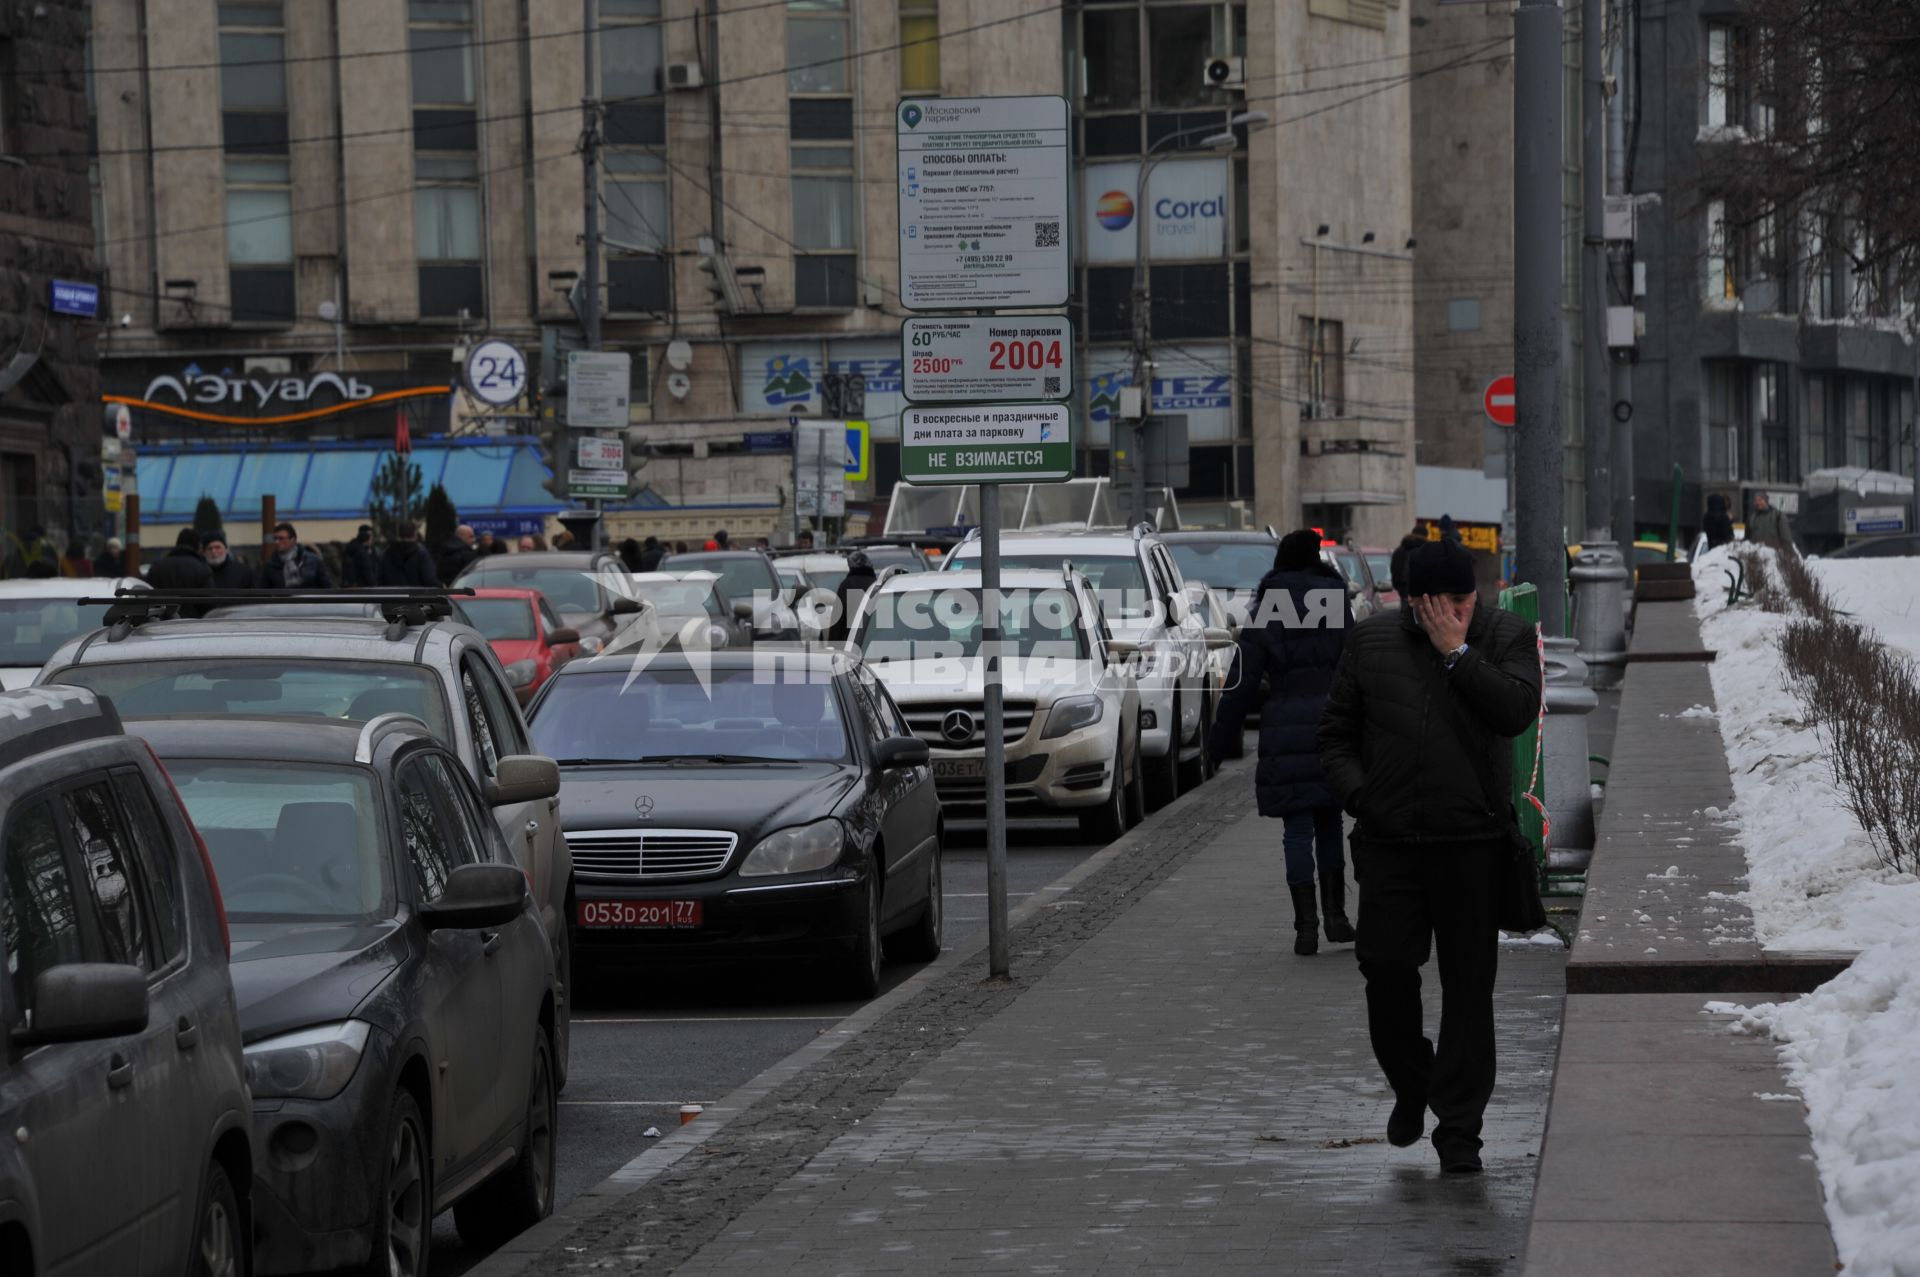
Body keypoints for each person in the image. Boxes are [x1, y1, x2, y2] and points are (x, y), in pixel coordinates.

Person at [1318, 538, 1543, 1175]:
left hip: (1472, 845)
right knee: (1385, 971)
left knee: (1469, 992)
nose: (1452, 614)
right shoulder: (1371, 641)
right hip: (1390, 845)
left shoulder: (1506, 634)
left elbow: (1515, 712)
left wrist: (1457, 653)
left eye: (1463, 602)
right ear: (1414, 602)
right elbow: (1334, 733)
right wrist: (1364, 796)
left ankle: (1459, 1131)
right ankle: (1414, 1082)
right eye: (1437, 606)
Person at [1207, 530, 1355, 955]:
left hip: (1286, 724)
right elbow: (1356, 662)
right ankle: (1338, 917)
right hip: (1333, 725)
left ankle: (1304, 928)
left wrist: (1218, 745)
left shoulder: (1270, 603)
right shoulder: (1334, 597)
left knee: (1296, 829)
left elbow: (1242, 679)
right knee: (1330, 821)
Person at [260, 522, 334, 589]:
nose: (277, 542)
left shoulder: (313, 561)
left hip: (310, 602)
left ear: (293, 540)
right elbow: (264, 592)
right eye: (275, 538)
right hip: (283, 603)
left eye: (281, 538)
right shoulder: (271, 566)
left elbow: (327, 587)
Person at [829, 550, 877, 643]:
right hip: (873, 642)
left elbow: (837, 619)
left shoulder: (847, 584)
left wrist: (834, 645)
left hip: (850, 642)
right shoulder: (876, 584)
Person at [147, 527, 215, 590]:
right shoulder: (202, 569)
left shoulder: (156, 568)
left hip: (163, 603)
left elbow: (148, 593)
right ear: (197, 545)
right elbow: (209, 599)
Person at [377, 520, 440, 587]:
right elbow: (429, 579)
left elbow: (379, 578)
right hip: (417, 596)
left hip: (392, 595)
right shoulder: (421, 553)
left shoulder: (387, 553)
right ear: (414, 534)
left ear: (399, 533)